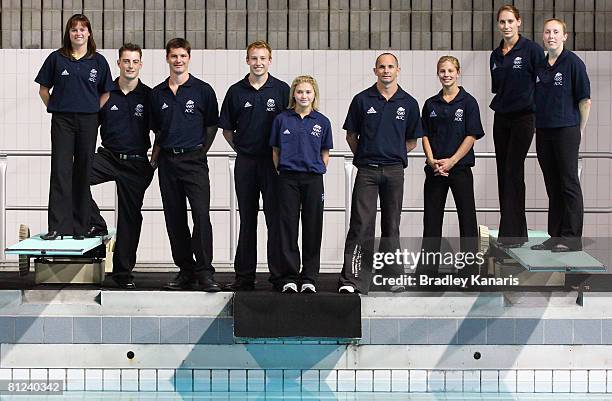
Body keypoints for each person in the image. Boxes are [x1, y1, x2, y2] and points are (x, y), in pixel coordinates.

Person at [338, 53, 422, 294]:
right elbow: (351, 136)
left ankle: (392, 277)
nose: (386, 71)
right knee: (361, 224)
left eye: (390, 67)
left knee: (392, 225)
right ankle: (353, 280)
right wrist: (366, 154)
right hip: (367, 171)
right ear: (375, 70)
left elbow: (412, 141)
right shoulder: (362, 100)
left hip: (394, 171)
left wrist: (391, 153)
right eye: (382, 67)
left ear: (398, 70)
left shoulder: (409, 103)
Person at [150, 38, 221, 292]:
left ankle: (205, 272)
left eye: (182, 56)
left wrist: (201, 151)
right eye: (173, 56)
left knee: (201, 215)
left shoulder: (203, 90)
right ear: (167, 58)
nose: (178, 60)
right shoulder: (157, 94)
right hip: (168, 162)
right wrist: (156, 158)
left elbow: (212, 126)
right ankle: (186, 270)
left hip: (194, 161)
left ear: (189, 57)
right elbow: (157, 129)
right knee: (175, 218)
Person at [219, 40, 290, 291]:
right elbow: (227, 129)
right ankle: (244, 276)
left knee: (275, 219)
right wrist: (242, 149)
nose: (258, 63)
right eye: (254, 58)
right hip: (246, 163)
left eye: (263, 58)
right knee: (247, 220)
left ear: (270, 61)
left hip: (274, 165)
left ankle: (279, 276)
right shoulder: (236, 91)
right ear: (247, 60)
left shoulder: (282, 90)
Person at [34, 13, 113, 240]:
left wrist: (91, 110)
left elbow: (106, 93)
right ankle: (57, 227)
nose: (78, 33)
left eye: (82, 29)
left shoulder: (98, 61)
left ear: (89, 33)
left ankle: (81, 227)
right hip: (63, 121)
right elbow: (43, 90)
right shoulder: (56, 59)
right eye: (74, 29)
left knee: (83, 171)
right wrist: (57, 108)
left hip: (88, 121)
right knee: (60, 170)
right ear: (68, 34)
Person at [86, 43, 155, 289]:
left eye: (135, 61)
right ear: (118, 63)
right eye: (126, 61)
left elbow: (161, 132)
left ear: (140, 65)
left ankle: (123, 272)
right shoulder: (106, 93)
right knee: (74, 176)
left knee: (130, 218)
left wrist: (152, 164)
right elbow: (90, 127)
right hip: (108, 156)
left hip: (136, 162)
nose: (130, 66)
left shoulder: (149, 96)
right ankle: (97, 224)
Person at [418, 56, 484, 275]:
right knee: (432, 220)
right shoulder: (430, 104)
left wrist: (452, 161)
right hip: (436, 170)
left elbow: (471, 135)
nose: (446, 75)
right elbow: (424, 134)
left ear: (458, 72)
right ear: (438, 74)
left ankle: (470, 271)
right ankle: (427, 272)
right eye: (442, 71)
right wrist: (430, 159)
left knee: (467, 218)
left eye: (450, 71)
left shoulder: (468, 102)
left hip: (460, 168)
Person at [531, 18, 591, 252]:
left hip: (567, 129)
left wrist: (579, 130)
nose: (551, 36)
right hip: (544, 131)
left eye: (556, 32)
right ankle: (555, 235)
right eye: (547, 32)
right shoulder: (541, 65)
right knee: (552, 184)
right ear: (543, 36)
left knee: (568, 184)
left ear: (565, 36)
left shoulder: (573, 63)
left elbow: (585, 101)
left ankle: (572, 238)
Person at [269, 75, 333, 293]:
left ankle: (309, 277)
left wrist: (319, 169)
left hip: (313, 180)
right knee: (287, 227)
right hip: (287, 179)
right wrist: (282, 171)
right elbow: (275, 151)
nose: (304, 96)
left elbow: (325, 152)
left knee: (313, 227)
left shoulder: (322, 122)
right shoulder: (282, 119)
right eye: (300, 92)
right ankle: (289, 276)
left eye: (308, 92)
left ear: (314, 94)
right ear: (293, 95)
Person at [490, 5, 545, 247]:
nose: (506, 26)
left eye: (510, 21)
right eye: (502, 22)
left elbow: (543, 84)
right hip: (501, 117)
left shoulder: (532, 49)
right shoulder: (495, 55)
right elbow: (498, 88)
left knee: (513, 170)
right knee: (503, 172)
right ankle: (515, 232)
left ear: (519, 22)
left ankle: (511, 234)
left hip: (524, 117)